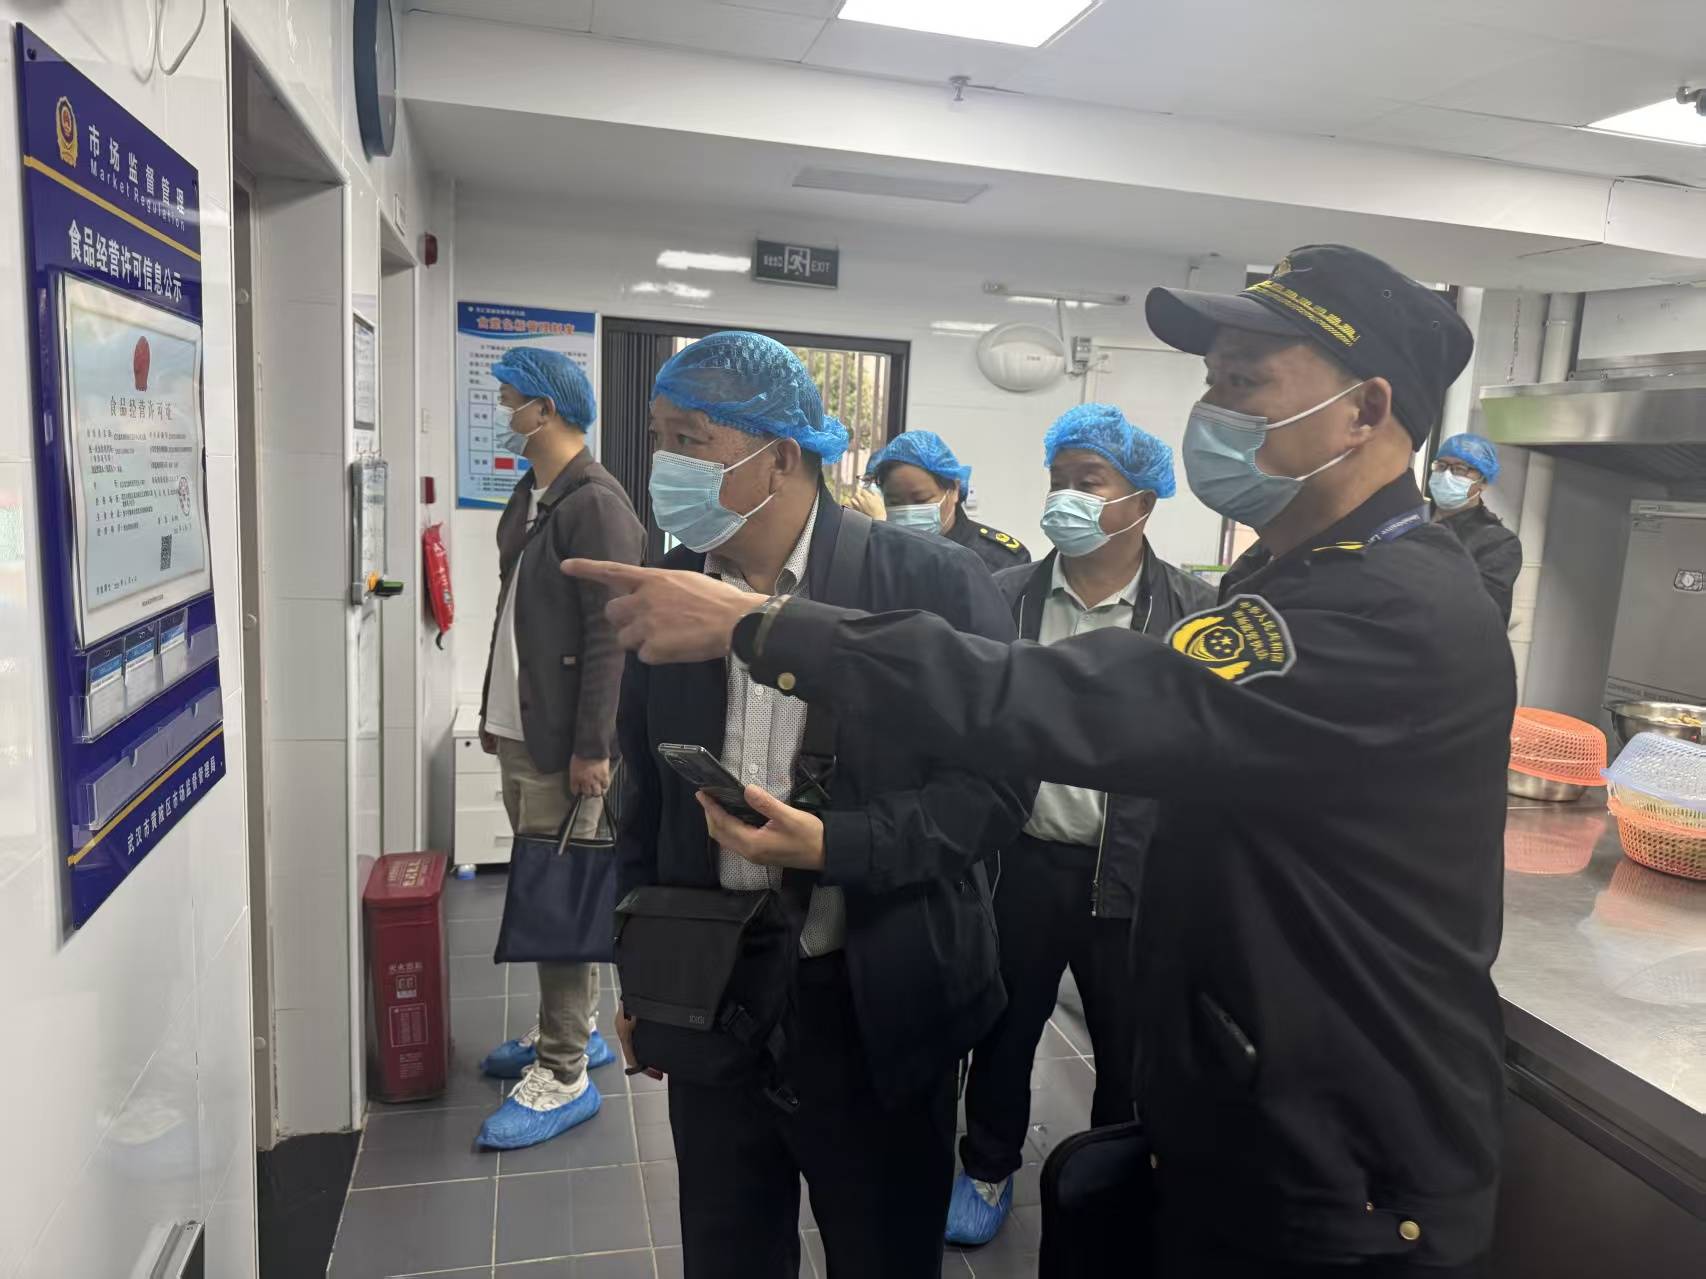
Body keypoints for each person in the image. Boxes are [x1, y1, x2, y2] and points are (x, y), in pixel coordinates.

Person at [568, 246, 1515, 1278]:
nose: (1212, 411)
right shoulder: (1285, 576)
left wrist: (768, 628)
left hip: (1349, 1154)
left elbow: (1083, 704)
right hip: (1255, 1112)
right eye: (1210, 383)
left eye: (1244, 382)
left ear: (1365, 409)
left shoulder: (1391, 609)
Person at [613, 332, 1031, 1279]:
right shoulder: (674, 587)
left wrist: (836, 843)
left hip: (874, 998)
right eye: (659, 437)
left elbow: (995, 796)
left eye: (692, 439)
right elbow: (645, 798)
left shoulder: (927, 584)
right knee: (727, 1250)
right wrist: (638, 973)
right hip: (715, 991)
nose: (667, 463)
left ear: (782, 456)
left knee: (883, 1252)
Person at [946, 403, 1215, 1246]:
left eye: (1088, 482)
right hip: (1021, 860)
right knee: (1003, 1026)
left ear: (1143, 500)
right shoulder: (1006, 599)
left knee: (1130, 1046)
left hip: (1134, 870)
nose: (1065, 497)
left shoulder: (1192, 613)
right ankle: (987, 1165)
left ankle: (1113, 1181)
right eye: (1058, 480)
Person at [473, 346, 645, 1150]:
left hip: (566, 747)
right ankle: (573, 1028)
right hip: (523, 731)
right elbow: (513, 611)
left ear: (544, 410)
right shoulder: (537, 495)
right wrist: (494, 706)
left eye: (510, 399)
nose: (501, 412)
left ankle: (565, 1067)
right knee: (554, 883)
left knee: (559, 897)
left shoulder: (596, 503)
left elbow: (610, 640)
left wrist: (593, 747)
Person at [864, 429, 1030, 572]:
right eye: (894, 503)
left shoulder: (1000, 559)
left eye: (921, 500)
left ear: (954, 489)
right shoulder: (872, 552)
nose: (908, 512)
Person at [1429, 432, 1522, 625]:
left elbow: (1484, 617)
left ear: (1484, 482)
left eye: (1460, 469)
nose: (1447, 475)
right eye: (1441, 466)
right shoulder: (1410, 518)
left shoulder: (1498, 543)